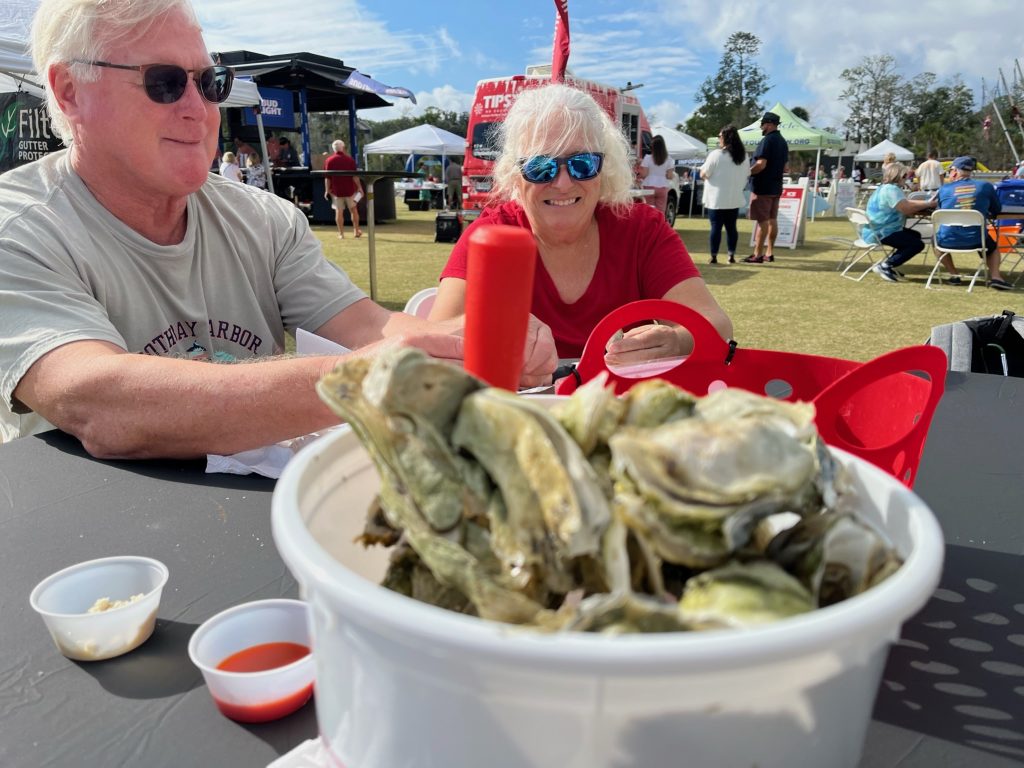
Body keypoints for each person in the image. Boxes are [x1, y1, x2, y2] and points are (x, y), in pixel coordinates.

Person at [0, 0, 555, 455]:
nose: (200, 109)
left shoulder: (263, 217)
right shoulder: (20, 226)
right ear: (70, 91)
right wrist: (364, 380)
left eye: (210, 81)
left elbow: (368, 329)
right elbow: (99, 402)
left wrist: (465, 344)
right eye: (165, 82)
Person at [428, 83, 732, 364]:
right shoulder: (491, 234)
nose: (562, 183)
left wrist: (677, 340)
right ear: (515, 175)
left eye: (582, 163)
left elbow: (717, 325)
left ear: (605, 168)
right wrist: (493, 336)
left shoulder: (641, 230)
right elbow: (440, 335)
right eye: (540, 167)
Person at [934, 156, 1010, 291]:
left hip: (947, 240)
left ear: (955, 171)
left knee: (936, 243)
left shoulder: (944, 189)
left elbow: (940, 209)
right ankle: (996, 277)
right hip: (976, 240)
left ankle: (954, 274)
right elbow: (996, 209)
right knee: (991, 246)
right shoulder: (985, 186)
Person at [860, 163, 936, 283]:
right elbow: (906, 209)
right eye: (906, 176)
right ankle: (886, 265)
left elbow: (904, 203)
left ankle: (890, 263)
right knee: (917, 244)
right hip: (883, 231)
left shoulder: (884, 188)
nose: (907, 179)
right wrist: (928, 204)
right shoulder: (892, 190)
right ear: (899, 176)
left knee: (915, 236)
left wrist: (923, 203)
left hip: (874, 229)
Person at [700, 124, 750, 264]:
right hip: (733, 197)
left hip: (716, 198)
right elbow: (747, 173)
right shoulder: (743, 156)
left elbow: (705, 173)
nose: (718, 139)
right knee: (731, 227)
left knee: (716, 227)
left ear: (725, 138)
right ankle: (731, 255)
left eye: (720, 136)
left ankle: (714, 256)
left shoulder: (716, 154)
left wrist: (703, 173)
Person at [743, 111, 788, 264]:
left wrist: (747, 173)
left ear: (768, 124)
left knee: (762, 221)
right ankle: (769, 252)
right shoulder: (782, 141)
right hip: (776, 186)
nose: (761, 127)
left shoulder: (767, 141)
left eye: (762, 124)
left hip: (762, 187)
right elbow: (786, 167)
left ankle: (757, 254)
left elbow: (761, 164)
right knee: (772, 219)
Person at [323, 139, 363, 238]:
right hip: (350, 190)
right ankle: (356, 231)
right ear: (343, 148)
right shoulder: (350, 160)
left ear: (333, 149)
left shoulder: (329, 161)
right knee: (353, 210)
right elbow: (355, 176)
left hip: (336, 191)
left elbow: (327, 178)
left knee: (338, 211)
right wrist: (360, 187)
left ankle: (341, 234)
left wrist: (327, 190)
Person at [638, 134, 674, 218]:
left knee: (649, 212)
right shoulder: (669, 159)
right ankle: (660, 229)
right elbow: (670, 176)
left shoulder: (647, 158)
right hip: (662, 187)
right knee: (661, 213)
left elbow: (644, 174)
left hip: (649, 186)